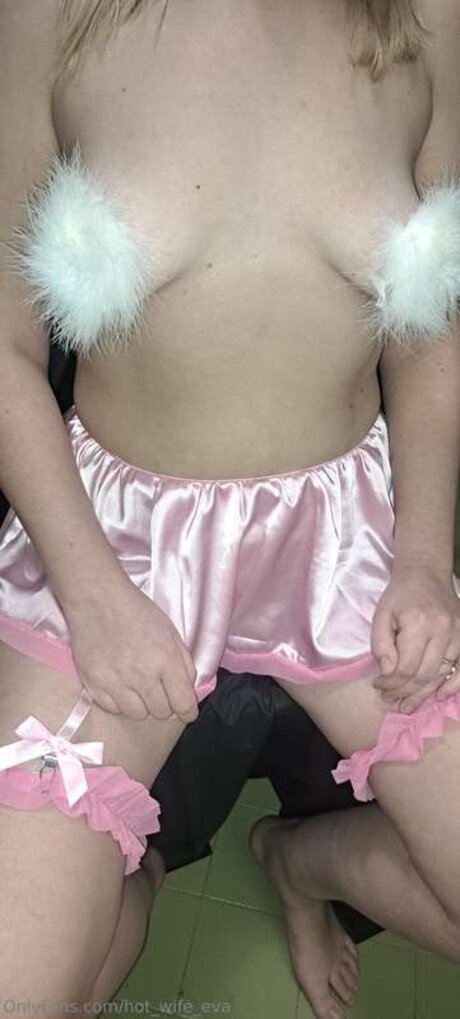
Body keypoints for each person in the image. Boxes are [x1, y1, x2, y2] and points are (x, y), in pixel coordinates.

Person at [0, 1, 459, 1017]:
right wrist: (90, 592)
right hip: (117, 541)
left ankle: (302, 862)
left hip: (351, 540)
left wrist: (426, 558)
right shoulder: (47, 15)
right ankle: (142, 881)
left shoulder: (426, 17)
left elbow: (431, 330)